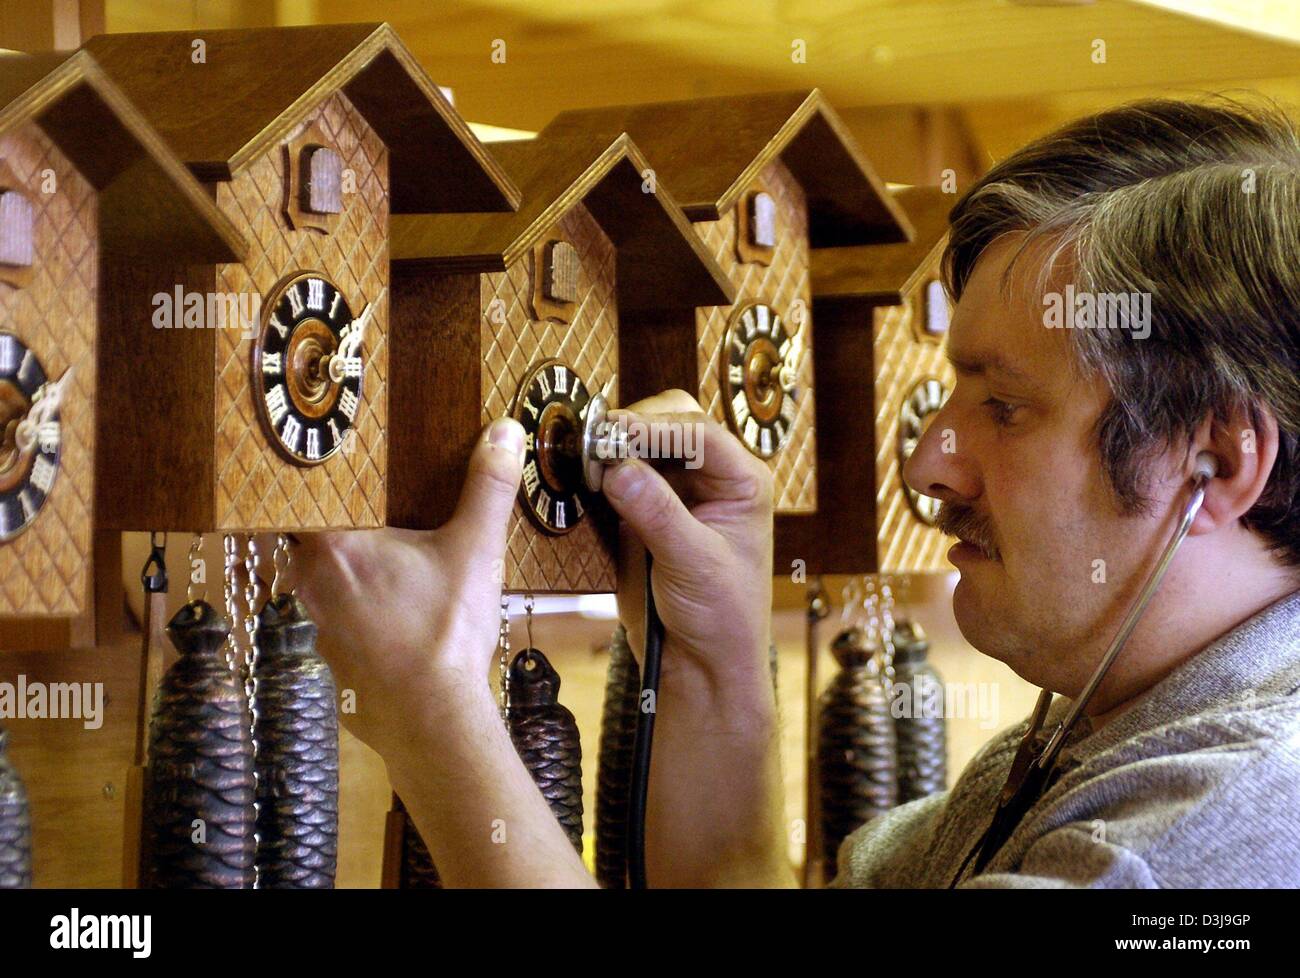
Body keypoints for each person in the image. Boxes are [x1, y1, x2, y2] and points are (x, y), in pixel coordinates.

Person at [295, 97, 1300, 888]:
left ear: (1215, 458)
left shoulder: (1204, 830)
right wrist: (716, 663)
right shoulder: (1083, 740)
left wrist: (434, 716)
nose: (927, 464)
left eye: (1003, 405)